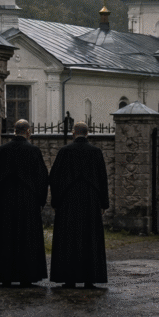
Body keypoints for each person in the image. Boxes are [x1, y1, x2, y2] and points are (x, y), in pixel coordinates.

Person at [0, 119, 49, 287]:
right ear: (28, 132)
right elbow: (42, 177)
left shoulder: (2, 150)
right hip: (28, 200)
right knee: (27, 237)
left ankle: (5, 275)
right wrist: (41, 200)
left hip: (7, 200)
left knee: (6, 236)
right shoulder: (33, 150)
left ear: (14, 131)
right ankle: (27, 275)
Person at [49, 121, 109, 288]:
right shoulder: (96, 152)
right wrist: (103, 203)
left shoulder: (64, 151)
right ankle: (90, 279)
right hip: (90, 201)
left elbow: (54, 178)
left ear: (73, 133)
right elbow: (103, 179)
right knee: (90, 238)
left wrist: (56, 201)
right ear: (87, 133)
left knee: (69, 238)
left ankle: (69, 279)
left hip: (68, 201)